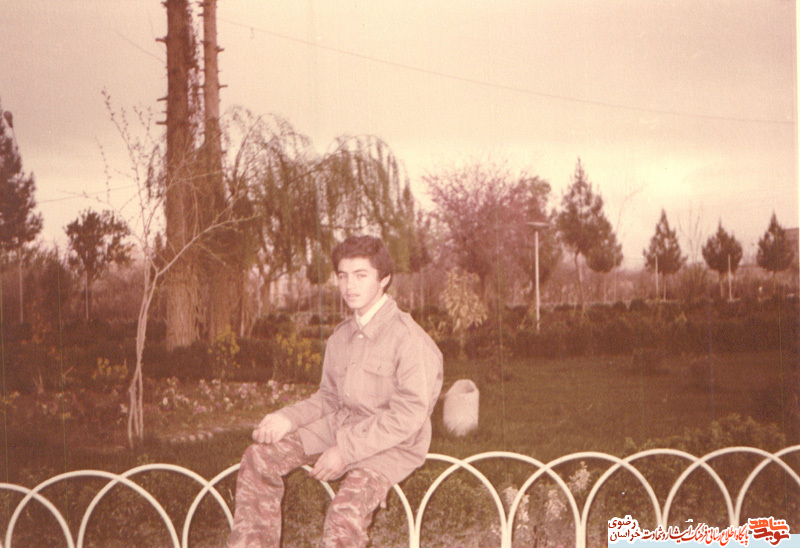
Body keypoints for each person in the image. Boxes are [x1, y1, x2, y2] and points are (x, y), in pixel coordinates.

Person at [228, 235, 444, 548]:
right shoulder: (341, 336)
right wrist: (287, 418)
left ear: (384, 279)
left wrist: (345, 450)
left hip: (392, 445)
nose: (349, 286)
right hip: (342, 426)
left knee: (343, 517)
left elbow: (408, 416)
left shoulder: (408, 338)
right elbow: (329, 397)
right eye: (343, 276)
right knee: (259, 457)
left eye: (360, 275)